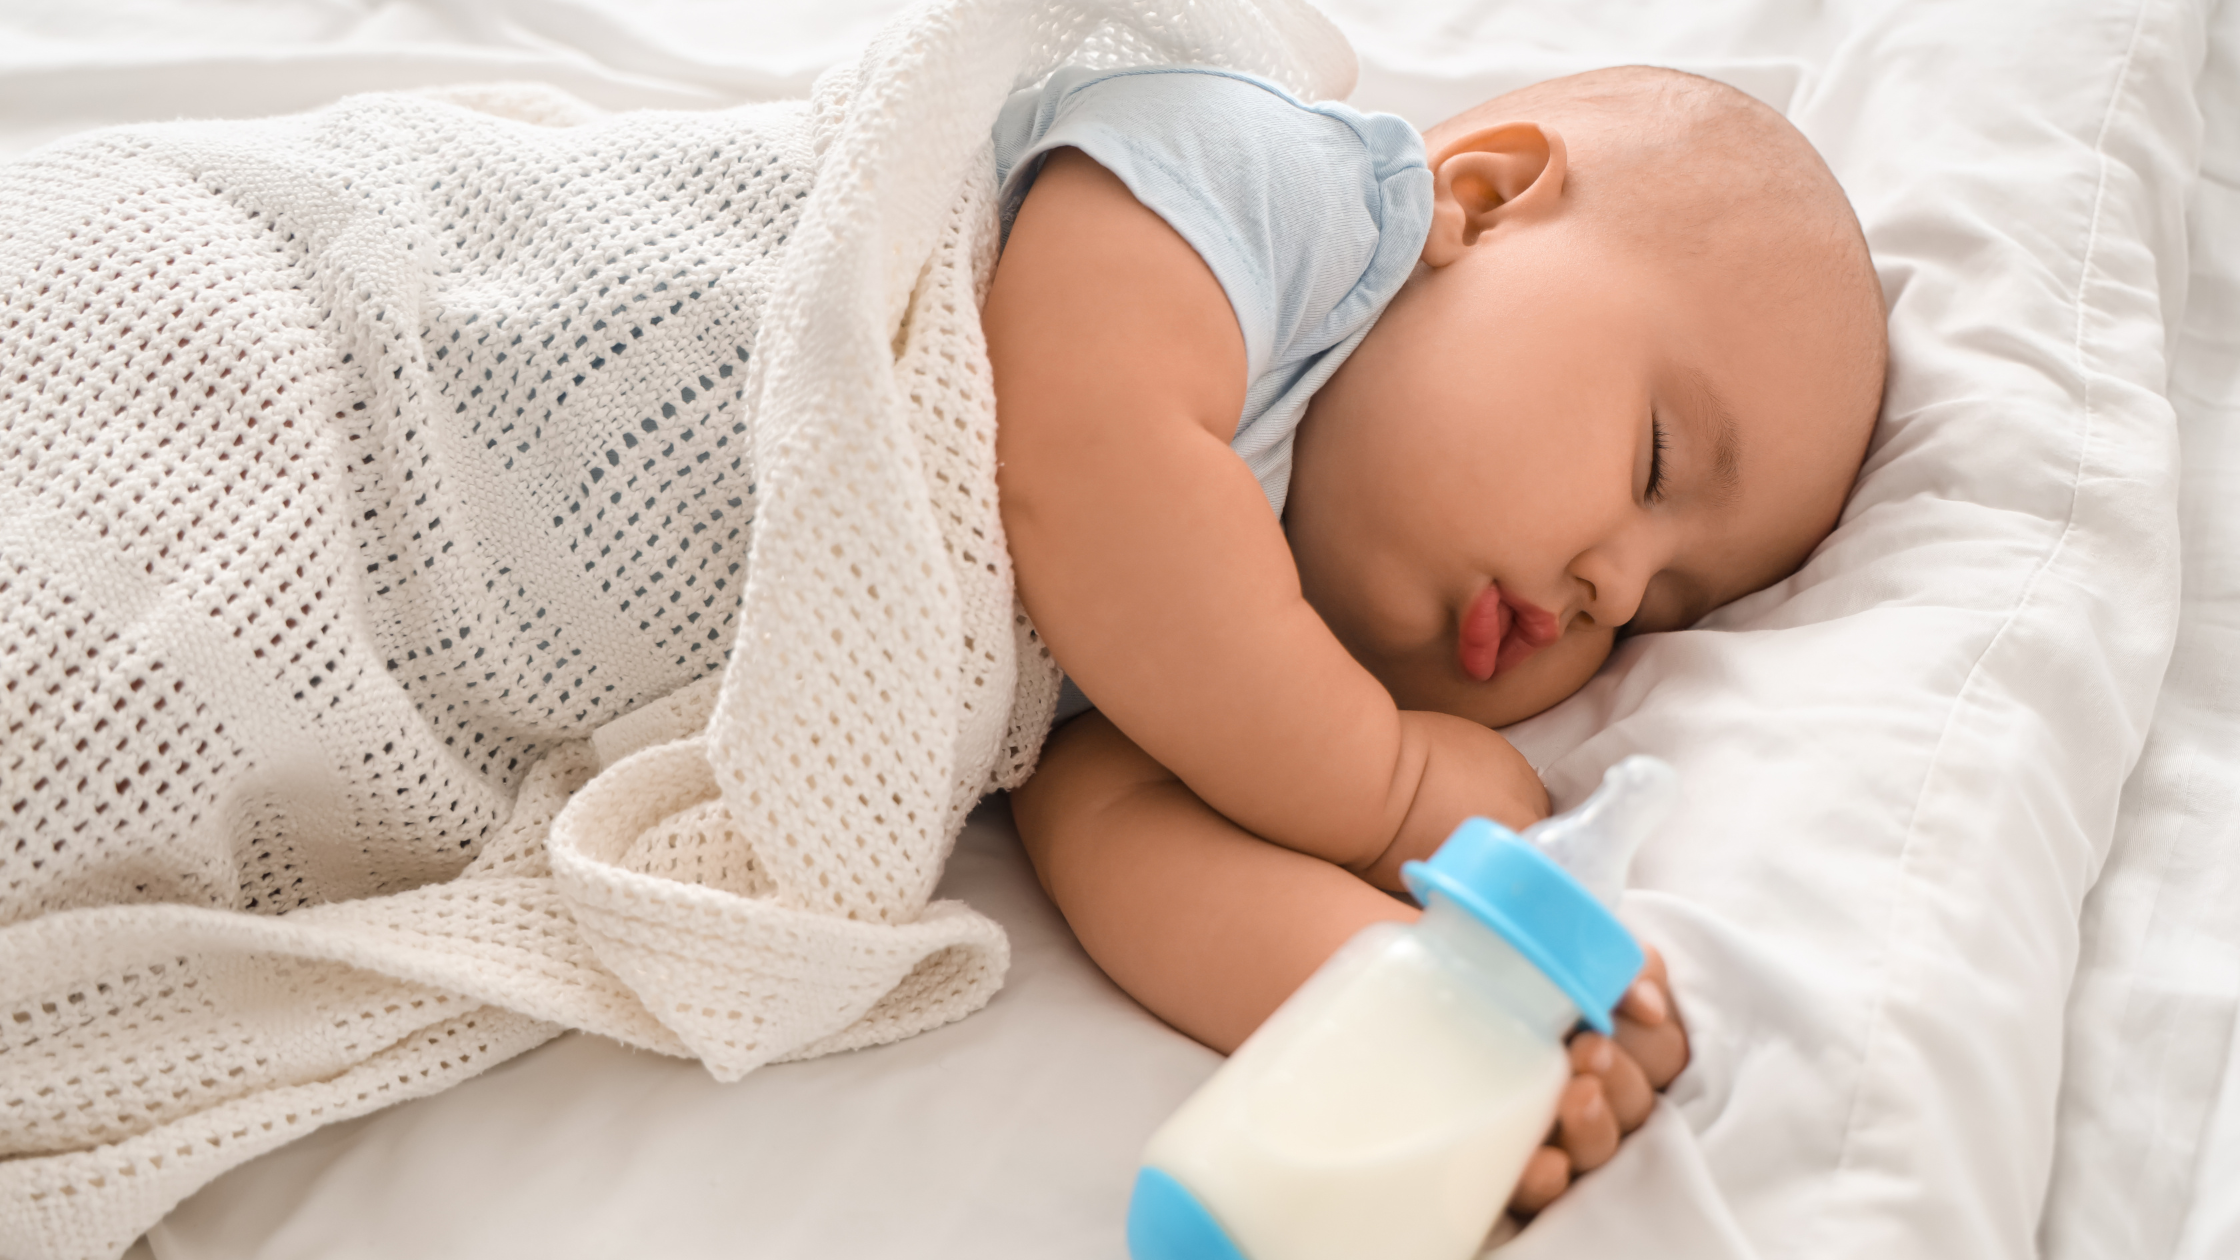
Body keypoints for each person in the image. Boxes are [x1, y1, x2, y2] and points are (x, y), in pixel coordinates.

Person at [983, 63, 1886, 1216]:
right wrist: (1377, 784)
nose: (1608, 589)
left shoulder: (1172, 677)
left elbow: (1121, 850)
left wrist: (1478, 1024)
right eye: (1652, 463)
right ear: (1485, 196)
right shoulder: (1261, 188)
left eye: (1657, 613)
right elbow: (1078, 453)